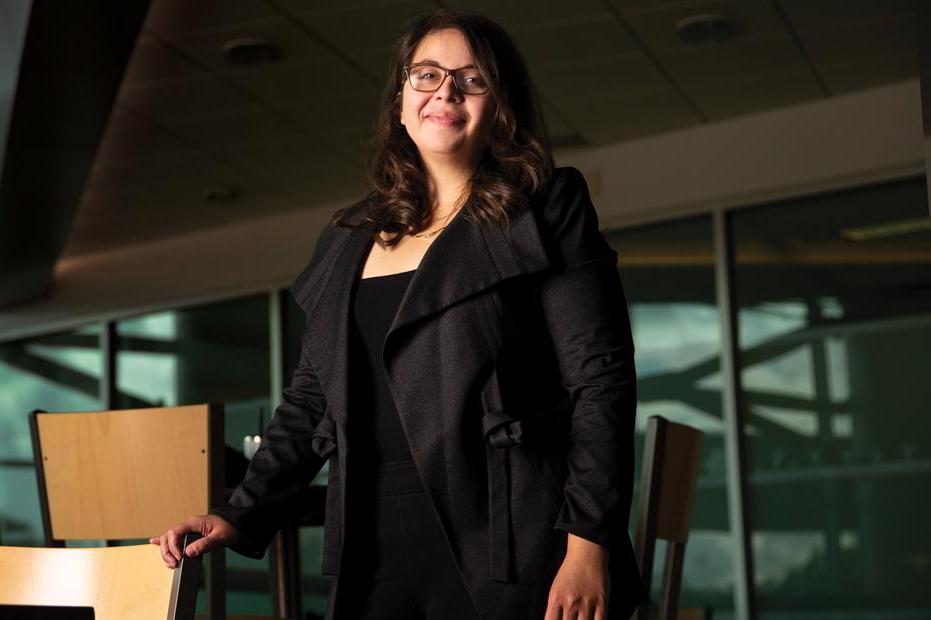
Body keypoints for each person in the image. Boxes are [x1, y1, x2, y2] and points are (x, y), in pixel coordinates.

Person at [152, 9, 645, 620]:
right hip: (368, 533)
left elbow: (600, 382)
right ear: (400, 98)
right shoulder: (347, 236)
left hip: (511, 534)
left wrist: (588, 544)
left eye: (472, 79)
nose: (445, 92)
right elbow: (313, 398)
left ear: (501, 104)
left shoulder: (545, 206)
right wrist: (238, 510)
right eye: (427, 75)